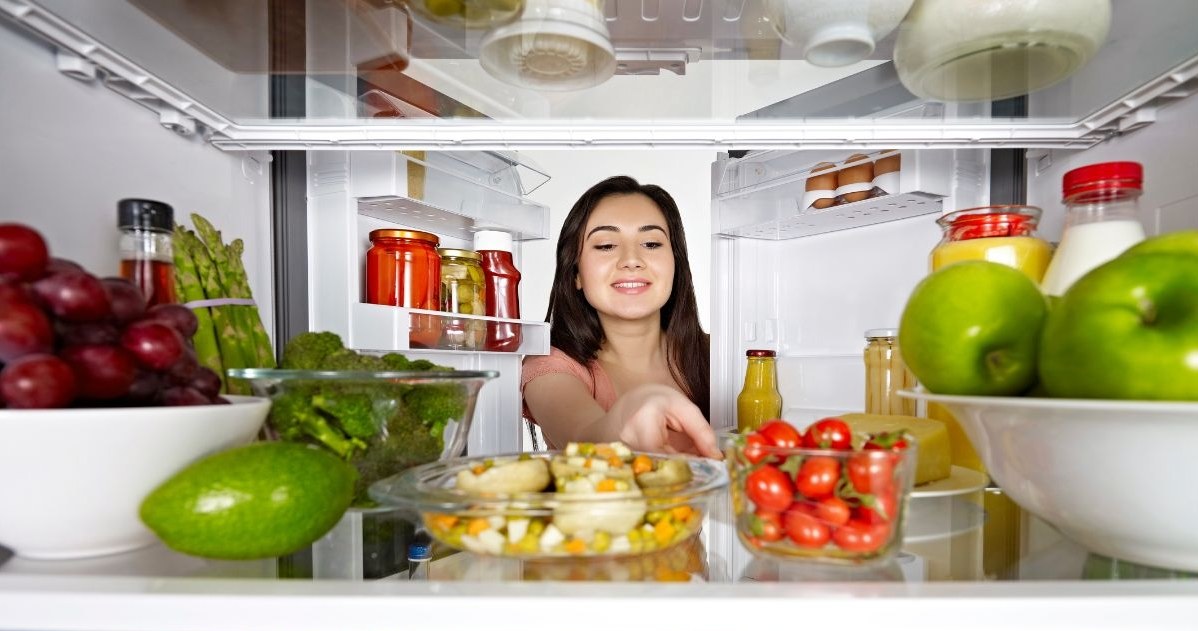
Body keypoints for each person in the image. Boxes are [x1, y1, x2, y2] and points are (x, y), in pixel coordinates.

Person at [521, 176, 720, 458]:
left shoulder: (721, 356)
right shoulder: (550, 366)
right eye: (605, 245)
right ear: (576, 273)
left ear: (676, 264)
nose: (631, 259)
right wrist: (633, 409)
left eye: (651, 244)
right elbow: (585, 438)